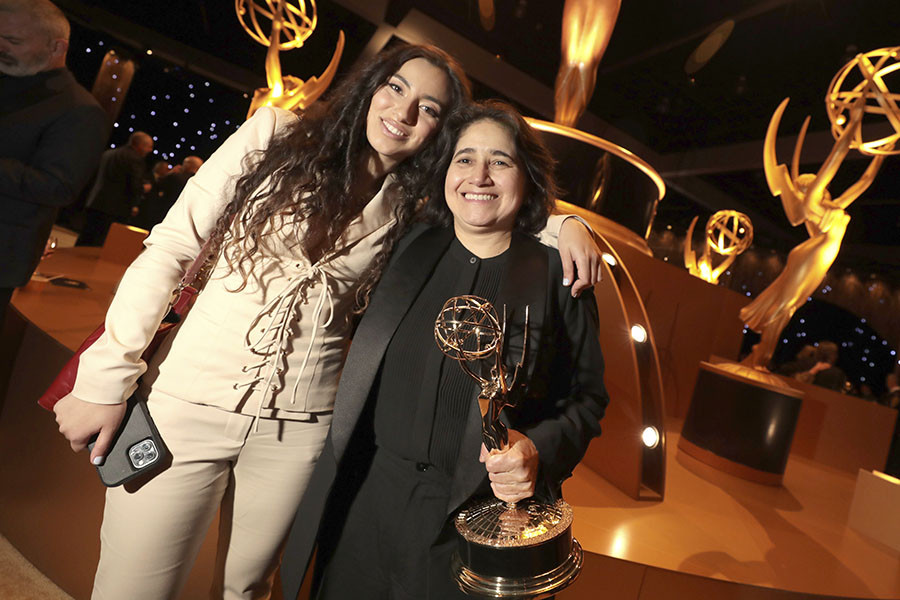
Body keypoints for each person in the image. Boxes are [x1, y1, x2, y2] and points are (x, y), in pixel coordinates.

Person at [52, 44, 602, 600]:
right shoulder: (273, 135)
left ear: (439, 131)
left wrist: (566, 225)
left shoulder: (409, 202)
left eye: (430, 108)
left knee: (247, 589)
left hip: (299, 430)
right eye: (395, 87)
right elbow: (172, 248)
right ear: (370, 86)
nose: (404, 112)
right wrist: (106, 378)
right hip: (187, 403)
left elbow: (486, 205)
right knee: (133, 589)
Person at [280, 100, 610, 599]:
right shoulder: (403, 246)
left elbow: (586, 399)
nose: (479, 175)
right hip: (364, 505)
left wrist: (538, 450)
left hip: (469, 525)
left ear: (527, 177)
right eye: (465, 158)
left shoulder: (558, 277)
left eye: (500, 161)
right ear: (445, 172)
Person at [0, 0, 109, 314]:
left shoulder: (81, 110)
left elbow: (58, 186)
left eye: (13, 40)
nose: (1, 47)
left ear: (56, 47)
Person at [76, 130, 154, 246]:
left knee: (85, 238)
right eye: (148, 147)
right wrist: (144, 189)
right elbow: (134, 185)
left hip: (95, 201)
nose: (150, 150)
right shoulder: (135, 159)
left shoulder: (109, 153)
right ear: (139, 145)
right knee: (100, 244)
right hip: (115, 209)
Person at [134, 156, 203, 231]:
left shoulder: (176, 177)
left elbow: (157, 185)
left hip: (162, 213)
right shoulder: (199, 183)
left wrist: (170, 173)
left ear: (188, 165)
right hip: (183, 219)